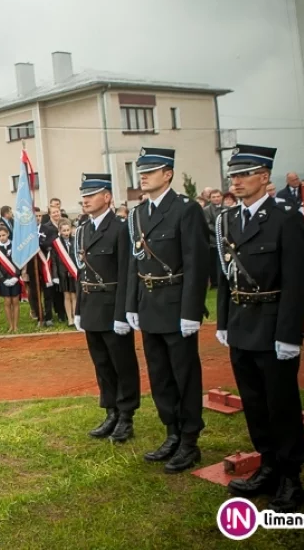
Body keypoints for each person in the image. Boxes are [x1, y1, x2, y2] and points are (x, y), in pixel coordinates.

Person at [216, 145, 304, 512]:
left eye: (244, 174)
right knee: (255, 404)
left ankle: (291, 477)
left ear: (264, 176)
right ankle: (268, 465)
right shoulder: (228, 220)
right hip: (241, 326)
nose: (237, 181)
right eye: (233, 175)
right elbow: (226, 276)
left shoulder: (285, 219)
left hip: (273, 327)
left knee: (281, 405)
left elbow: (298, 280)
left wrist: (289, 334)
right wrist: (223, 321)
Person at [125, 146, 209, 474]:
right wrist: (131, 304)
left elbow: (196, 263)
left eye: (150, 171)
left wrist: (191, 311)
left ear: (168, 173)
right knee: (160, 375)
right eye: (141, 172)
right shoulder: (138, 214)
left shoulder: (185, 210)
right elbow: (135, 263)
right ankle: (171, 432)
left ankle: (189, 440)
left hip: (176, 307)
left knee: (184, 375)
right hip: (149, 305)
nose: (143, 176)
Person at [73, 174, 141, 444]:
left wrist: (123, 313)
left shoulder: (120, 228)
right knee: (101, 363)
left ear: (107, 196)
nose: (85, 200)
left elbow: (127, 273)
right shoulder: (83, 230)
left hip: (113, 307)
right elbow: (82, 272)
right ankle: (111, 411)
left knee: (122, 364)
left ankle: (126, 415)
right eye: (83, 195)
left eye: (91, 195)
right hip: (91, 305)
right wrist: (79, 309)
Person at [0, 225, 22, 332]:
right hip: (4, 279)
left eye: (4, 235)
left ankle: (16, 325)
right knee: (7, 302)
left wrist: (16, 276)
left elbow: (20, 261)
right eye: (0, 236)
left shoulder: (15, 246)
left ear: (8, 234)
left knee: (15, 301)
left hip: (14, 278)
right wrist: (3, 279)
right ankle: (10, 325)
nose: (2, 237)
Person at [53, 218, 78, 323]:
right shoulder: (56, 243)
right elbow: (54, 261)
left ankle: (75, 317)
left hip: (73, 272)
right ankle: (69, 318)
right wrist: (55, 275)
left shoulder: (75, 240)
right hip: (62, 273)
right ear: (60, 231)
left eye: (68, 230)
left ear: (71, 229)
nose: (66, 233)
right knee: (67, 296)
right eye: (64, 230)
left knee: (74, 295)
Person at [203, 188, 225, 289]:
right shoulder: (206, 210)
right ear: (210, 199)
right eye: (214, 197)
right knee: (213, 263)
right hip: (213, 241)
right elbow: (208, 225)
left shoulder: (227, 208)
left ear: (222, 197)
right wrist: (220, 231)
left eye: (218, 196)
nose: (216, 199)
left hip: (225, 240)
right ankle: (215, 283)